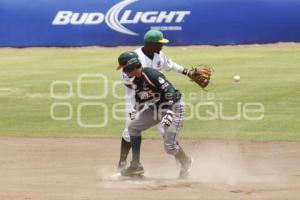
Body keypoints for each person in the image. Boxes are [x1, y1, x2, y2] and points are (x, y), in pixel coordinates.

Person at [117, 30, 194, 171]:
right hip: (145, 100)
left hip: (166, 103)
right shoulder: (133, 59)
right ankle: (128, 165)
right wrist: (141, 99)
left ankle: (183, 160)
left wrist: (188, 72)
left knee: (168, 139)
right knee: (131, 128)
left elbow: (171, 78)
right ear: (150, 44)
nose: (162, 46)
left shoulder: (157, 60)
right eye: (159, 43)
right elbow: (129, 85)